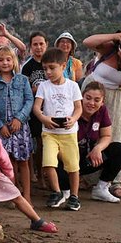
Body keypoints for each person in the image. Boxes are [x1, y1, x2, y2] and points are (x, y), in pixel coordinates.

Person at [82, 19, 121, 198]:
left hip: (117, 96)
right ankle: (87, 177)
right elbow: (87, 42)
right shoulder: (109, 47)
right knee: (88, 134)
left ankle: (114, 181)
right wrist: (115, 37)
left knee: (115, 137)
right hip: (93, 92)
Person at [56, 81, 121, 203]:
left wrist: (98, 148)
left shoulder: (102, 111)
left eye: (96, 100)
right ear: (81, 97)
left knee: (120, 150)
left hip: (88, 158)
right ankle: (63, 191)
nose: (91, 103)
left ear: (102, 101)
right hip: (66, 160)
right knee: (56, 162)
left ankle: (101, 188)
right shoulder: (70, 110)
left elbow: (106, 135)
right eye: (88, 98)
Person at [32, 48, 83, 210]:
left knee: (73, 166)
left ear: (63, 66)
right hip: (49, 133)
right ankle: (57, 192)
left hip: (69, 133)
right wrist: (43, 118)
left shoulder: (73, 86)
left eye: (52, 68)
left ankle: (74, 196)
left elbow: (78, 108)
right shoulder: (43, 87)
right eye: (45, 68)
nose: (48, 72)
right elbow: (36, 107)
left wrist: (73, 119)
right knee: (48, 163)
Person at [0, 46, 34, 203]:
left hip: (20, 127)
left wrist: (19, 118)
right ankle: (14, 194)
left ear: (14, 61)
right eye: (1, 60)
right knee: (9, 162)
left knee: (24, 161)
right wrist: (0, 126)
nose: (5, 63)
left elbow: (29, 100)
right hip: (4, 129)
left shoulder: (22, 80)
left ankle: (26, 194)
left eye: (8, 59)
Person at [20, 31, 48, 187]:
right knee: (30, 143)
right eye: (35, 44)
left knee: (44, 144)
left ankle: (43, 174)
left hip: (49, 109)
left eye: (41, 44)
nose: (38, 47)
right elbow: (23, 90)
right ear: (31, 47)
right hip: (31, 109)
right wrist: (36, 90)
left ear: (46, 44)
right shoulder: (27, 66)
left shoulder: (51, 62)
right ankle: (31, 174)